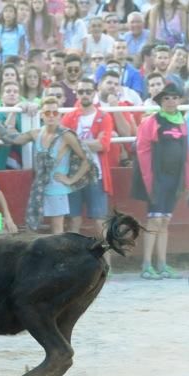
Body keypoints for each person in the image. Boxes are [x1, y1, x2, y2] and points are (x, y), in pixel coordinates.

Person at [0, 97, 91, 234]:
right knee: (31, 226)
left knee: (57, 229)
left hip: (57, 188)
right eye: (47, 113)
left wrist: (71, 180)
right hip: (39, 187)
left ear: (59, 115)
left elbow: (87, 159)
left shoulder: (66, 135)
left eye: (54, 113)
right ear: (42, 115)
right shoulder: (36, 133)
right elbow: (9, 139)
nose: (51, 116)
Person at [133, 83, 189, 279]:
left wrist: (188, 183)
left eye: (175, 97)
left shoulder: (181, 122)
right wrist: (150, 181)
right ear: (160, 101)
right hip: (157, 179)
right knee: (154, 220)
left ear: (180, 100)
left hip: (175, 180)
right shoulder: (151, 122)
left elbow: (186, 156)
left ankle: (162, 265)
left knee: (165, 221)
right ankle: (147, 265)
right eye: (166, 98)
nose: (171, 101)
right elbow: (142, 151)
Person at [61, 78, 114, 257]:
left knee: (100, 222)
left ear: (94, 93)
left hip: (96, 175)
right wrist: (91, 142)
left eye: (88, 91)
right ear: (76, 93)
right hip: (74, 175)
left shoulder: (104, 116)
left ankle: (106, 263)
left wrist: (77, 142)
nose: (84, 95)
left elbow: (103, 145)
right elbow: (64, 143)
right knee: (73, 221)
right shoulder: (69, 117)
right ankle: (72, 262)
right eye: (81, 91)